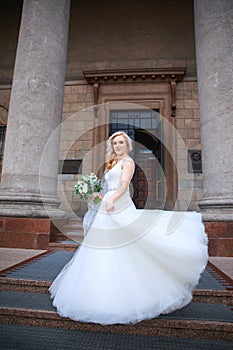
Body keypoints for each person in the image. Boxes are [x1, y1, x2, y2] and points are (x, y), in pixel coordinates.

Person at [49, 131, 208, 325]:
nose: (117, 146)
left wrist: (113, 199)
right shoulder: (112, 163)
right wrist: (95, 196)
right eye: (115, 143)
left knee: (129, 242)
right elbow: (107, 188)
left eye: (121, 143)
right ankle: (99, 291)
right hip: (106, 206)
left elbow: (123, 184)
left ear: (127, 145)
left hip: (118, 205)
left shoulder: (128, 162)